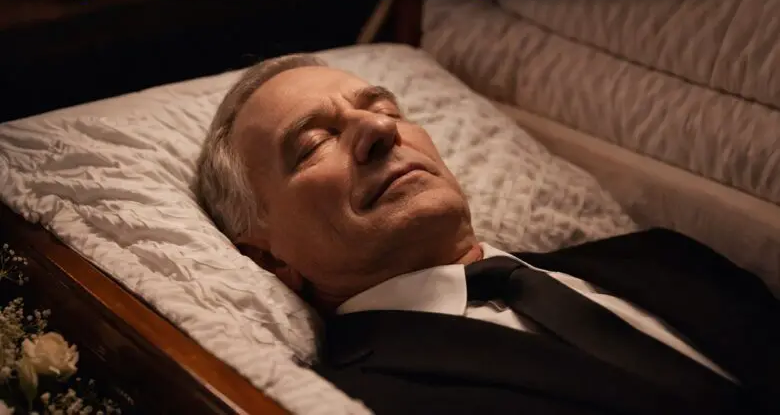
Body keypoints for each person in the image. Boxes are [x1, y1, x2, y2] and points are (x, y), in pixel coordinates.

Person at [195, 54, 780, 415]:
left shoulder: (661, 254)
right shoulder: (354, 400)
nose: (378, 129)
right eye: (313, 143)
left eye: (387, 110)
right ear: (266, 259)